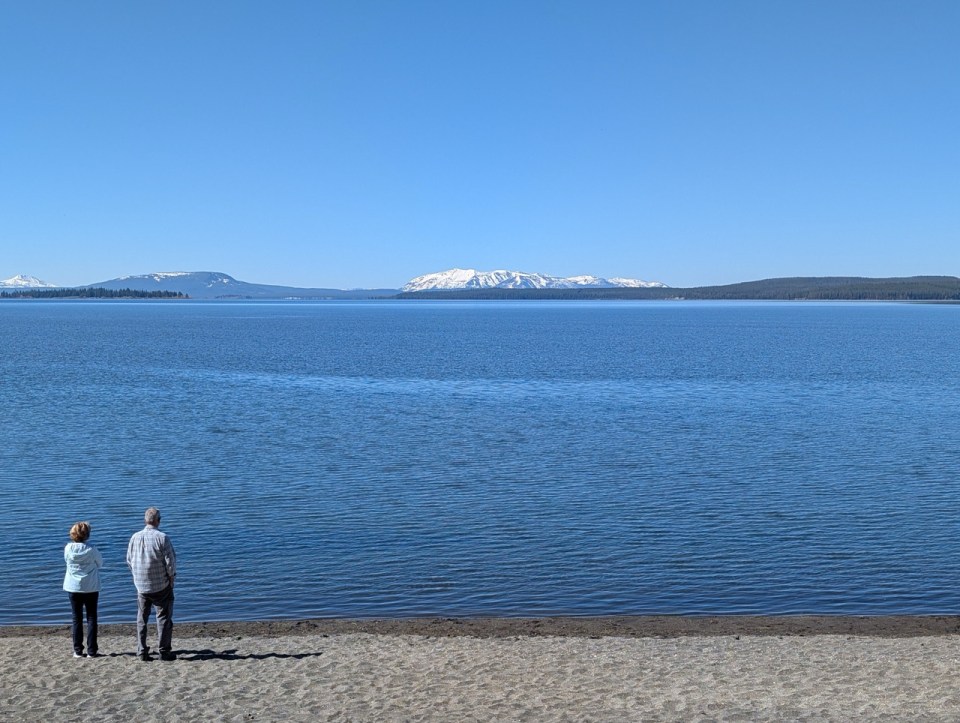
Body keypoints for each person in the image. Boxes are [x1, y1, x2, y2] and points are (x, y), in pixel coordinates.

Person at [126, 507, 177, 661]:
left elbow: (129, 560)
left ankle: (142, 651)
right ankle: (164, 651)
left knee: (142, 618)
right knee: (163, 617)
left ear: (145, 520)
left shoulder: (134, 537)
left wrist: (137, 576)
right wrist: (171, 578)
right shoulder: (162, 537)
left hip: (141, 585)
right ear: (158, 521)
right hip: (161, 585)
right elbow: (171, 563)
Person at [64, 521, 103, 658]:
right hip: (91, 586)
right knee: (92, 618)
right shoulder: (92, 549)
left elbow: (66, 561)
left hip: (73, 587)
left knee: (77, 618)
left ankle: (78, 650)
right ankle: (92, 651)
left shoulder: (68, 548)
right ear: (87, 535)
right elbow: (100, 563)